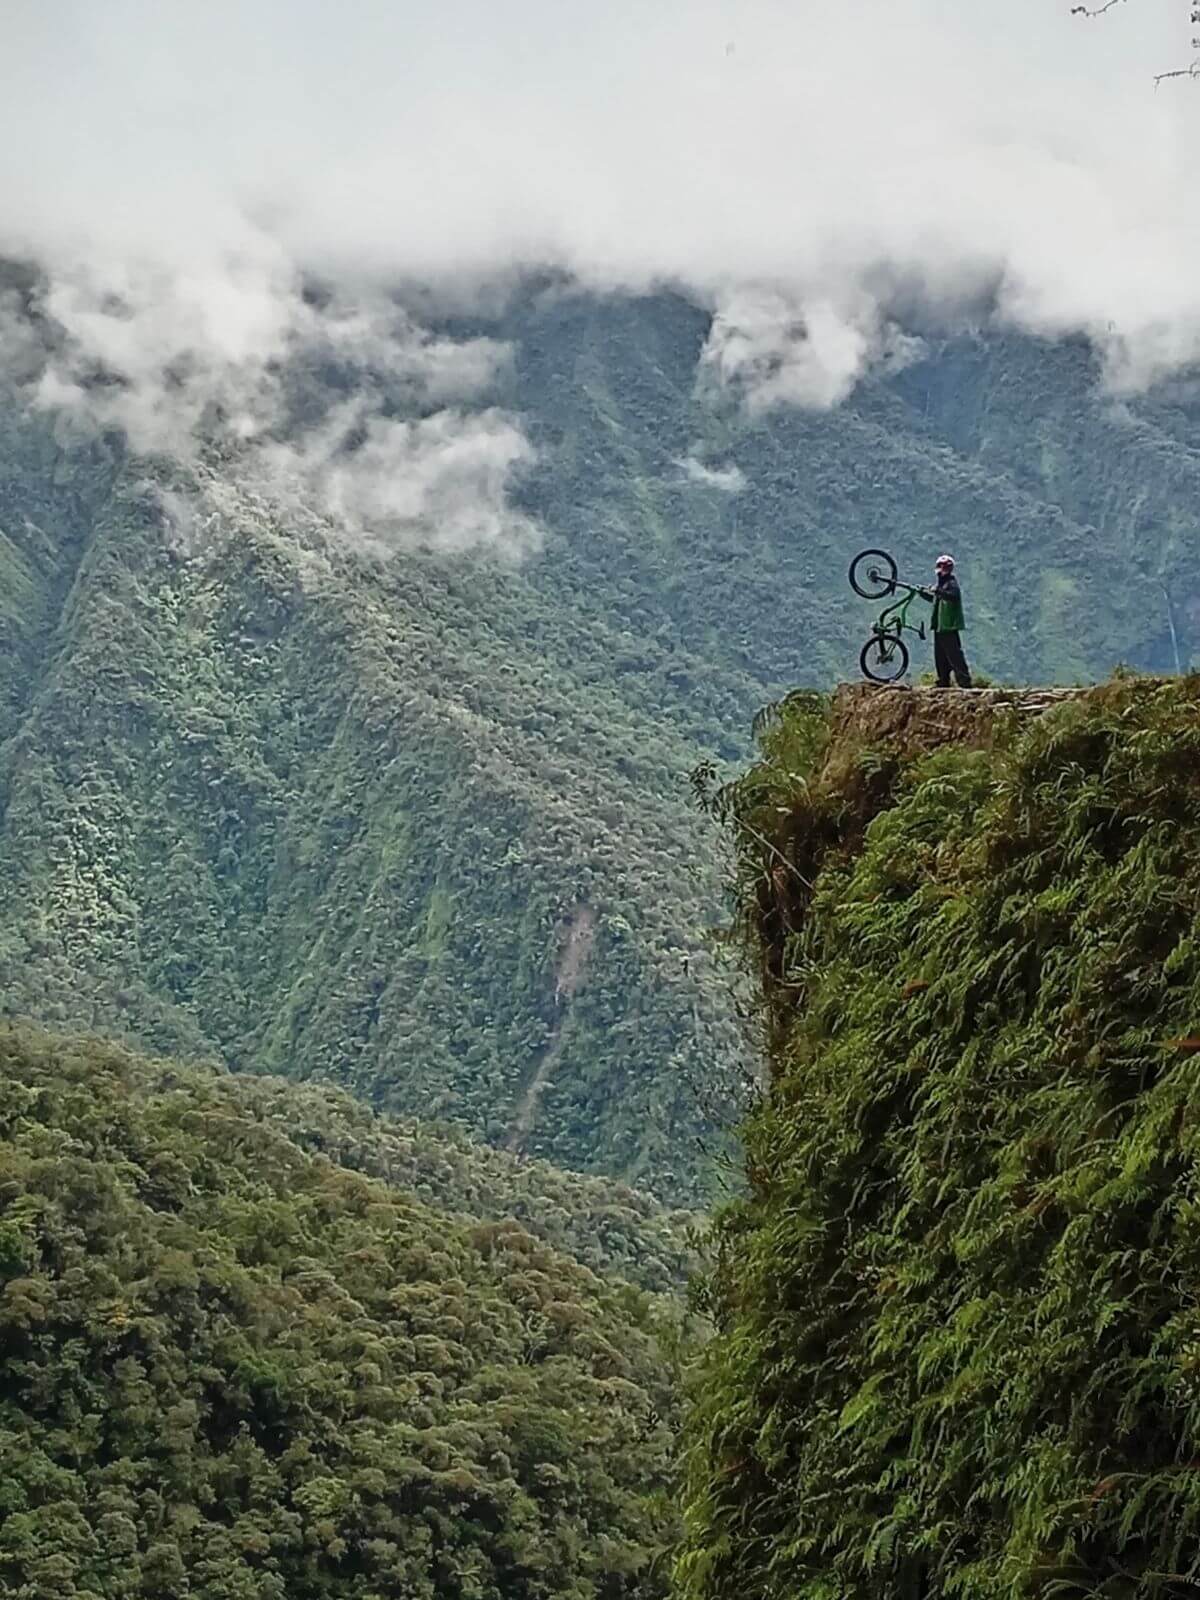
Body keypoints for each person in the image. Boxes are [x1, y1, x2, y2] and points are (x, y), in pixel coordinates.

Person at [922, 554, 972, 688]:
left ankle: (964, 681)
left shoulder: (951, 583)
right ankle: (943, 681)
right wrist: (924, 593)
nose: (940, 570)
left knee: (954, 655)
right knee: (940, 656)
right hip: (940, 626)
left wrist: (937, 591)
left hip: (948, 626)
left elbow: (953, 596)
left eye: (943, 567)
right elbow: (936, 599)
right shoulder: (942, 584)